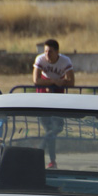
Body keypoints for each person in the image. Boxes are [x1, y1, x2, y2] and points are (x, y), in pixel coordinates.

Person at [32, 39, 74, 169]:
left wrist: (53, 84)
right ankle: (52, 160)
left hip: (58, 100)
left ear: (57, 52)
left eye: (50, 52)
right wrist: (54, 82)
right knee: (49, 130)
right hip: (43, 101)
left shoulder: (65, 61)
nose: (47, 54)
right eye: (45, 51)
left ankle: (39, 150)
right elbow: (36, 80)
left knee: (55, 129)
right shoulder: (40, 59)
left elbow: (71, 82)